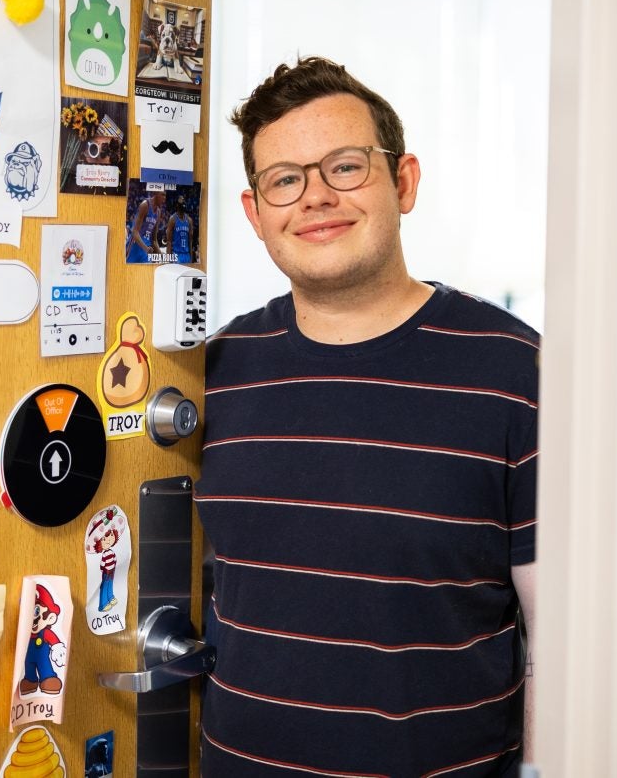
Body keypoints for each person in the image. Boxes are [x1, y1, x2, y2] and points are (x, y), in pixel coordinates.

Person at [197, 57, 538, 776]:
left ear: (403, 182)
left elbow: (562, 639)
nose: (315, 196)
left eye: (345, 167)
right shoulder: (211, 373)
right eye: (285, 179)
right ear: (256, 214)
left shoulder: (518, 373)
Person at [163, 196, 195, 263]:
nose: (183, 205)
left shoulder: (189, 220)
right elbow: (169, 242)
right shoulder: (172, 219)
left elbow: (190, 242)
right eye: (181, 203)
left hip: (186, 255)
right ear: (177, 205)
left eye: (183, 203)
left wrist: (191, 259)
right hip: (176, 255)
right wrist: (168, 260)